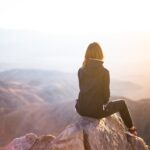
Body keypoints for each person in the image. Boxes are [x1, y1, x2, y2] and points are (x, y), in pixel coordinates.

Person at [75, 42, 137, 136]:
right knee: (122, 103)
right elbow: (106, 98)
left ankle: (132, 129)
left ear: (87, 54)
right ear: (100, 54)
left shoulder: (80, 70)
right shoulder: (104, 72)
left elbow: (82, 89)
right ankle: (132, 129)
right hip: (96, 112)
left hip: (81, 109)